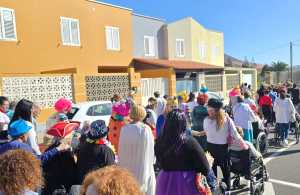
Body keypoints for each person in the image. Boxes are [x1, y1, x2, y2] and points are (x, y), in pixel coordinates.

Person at [155, 110, 211, 195]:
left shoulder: (159, 141)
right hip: (186, 181)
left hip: (164, 180)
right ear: (184, 123)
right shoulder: (190, 142)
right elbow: (205, 168)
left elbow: (159, 161)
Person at [203, 98, 247, 190]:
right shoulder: (227, 120)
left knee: (213, 173)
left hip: (210, 148)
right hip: (222, 149)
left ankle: (215, 190)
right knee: (226, 172)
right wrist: (244, 145)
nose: (209, 111)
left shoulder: (206, 120)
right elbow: (235, 134)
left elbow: (207, 133)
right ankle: (227, 190)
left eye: (210, 109)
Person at [118, 105, 155, 195]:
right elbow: (150, 150)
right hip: (142, 167)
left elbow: (121, 150)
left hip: (127, 167)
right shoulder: (145, 129)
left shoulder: (124, 129)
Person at [0, 119, 67, 165]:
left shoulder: (4, 146)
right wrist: (57, 149)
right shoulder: (22, 146)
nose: (28, 134)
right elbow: (38, 160)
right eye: (27, 132)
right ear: (22, 136)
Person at [41, 115, 78, 195]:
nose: (72, 135)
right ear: (65, 136)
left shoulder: (50, 149)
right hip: (61, 187)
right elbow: (70, 172)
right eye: (71, 134)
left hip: (49, 186)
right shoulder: (66, 153)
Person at [77, 120, 116, 184]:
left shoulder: (83, 146)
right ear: (104, 135)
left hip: (83, 184)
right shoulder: (106, 151)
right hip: (97, 185)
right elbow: (112, 171)